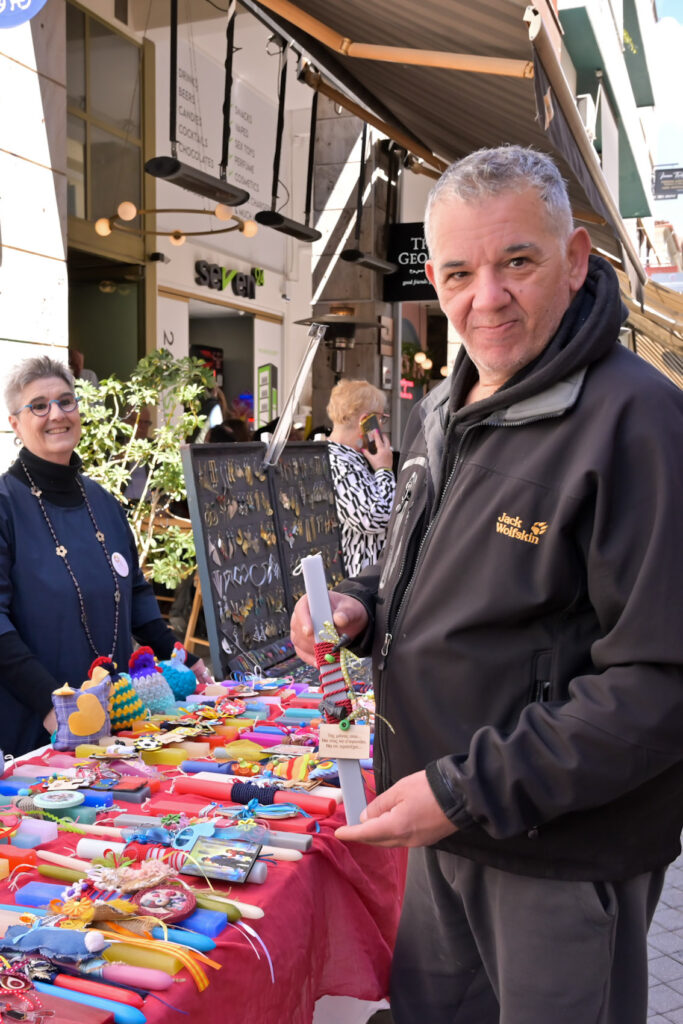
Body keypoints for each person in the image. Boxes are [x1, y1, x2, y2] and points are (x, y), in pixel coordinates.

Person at [291, 146, 683, 1024]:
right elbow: (422, 566)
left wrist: (466, 789)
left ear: (575, 260)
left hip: (557, 846)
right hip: (445, 821)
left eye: (517, 262)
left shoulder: (638, 420)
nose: (486, 297)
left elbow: (658, 686)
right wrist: (361, 605)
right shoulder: (442, 407)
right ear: (431, 276)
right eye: (460, 272)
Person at [0, 356, 212, 757]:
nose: (57, 415)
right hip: (34, 726)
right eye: (39, 406)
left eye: (66, 401)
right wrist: (52, 706)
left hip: (113, 723)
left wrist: (186, 661)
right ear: (15, 422)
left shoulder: (103, 502)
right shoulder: (5, 506)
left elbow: (135, 596)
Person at [326, 378, 396, 577]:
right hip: (358, 582)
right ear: (366, 420)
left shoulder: (350, 458)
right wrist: (384, 469)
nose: (381, 425)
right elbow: (373, 518)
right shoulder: (338, 463)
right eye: (381, 418)